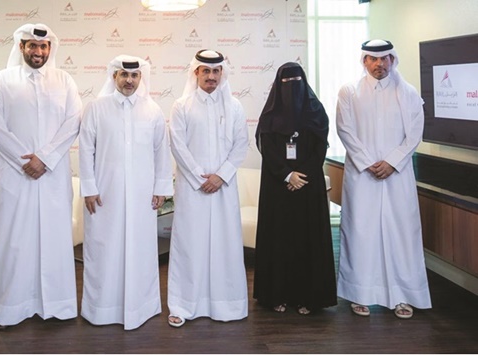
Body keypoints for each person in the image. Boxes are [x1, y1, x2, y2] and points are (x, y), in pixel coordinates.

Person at [0, 23, 83, 330]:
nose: (38, 51)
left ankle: (56, 306)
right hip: (15, 177)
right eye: (32, 46)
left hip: (52, 176)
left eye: (43, 46)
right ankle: (9, 309)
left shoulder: (64, 80)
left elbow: (73, 121)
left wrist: (46, 158)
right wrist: (24, 160)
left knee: (54, 241)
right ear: (22, 47)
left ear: (49, 49)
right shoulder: (3, 80)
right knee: (13, 243)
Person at [336, 39, 432, 319]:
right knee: (361, 233)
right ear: (364, 61)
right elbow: (345, 130)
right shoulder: (349, 92)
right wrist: (368, 163)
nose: (380, 64)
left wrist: (392, 162)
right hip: (362, 175)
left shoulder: (408, 92)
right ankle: (359, 294)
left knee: (401, 234)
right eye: (373, 59)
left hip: (397, 175)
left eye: (385, 59)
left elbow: (415, 132)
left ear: (393, 60)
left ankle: (402, 295)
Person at [78, 55, 173, 330]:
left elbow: (161, 151)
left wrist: (161, 189)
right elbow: (86, 150)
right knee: (104, 249)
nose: (129, 81)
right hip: (104, 194)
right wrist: (89, 188)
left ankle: (141, 307)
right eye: (123, 75)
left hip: (142, 195)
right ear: (114, 77)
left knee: (141, 250)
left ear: (140, 78)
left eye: (134, 76)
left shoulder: (152, 110)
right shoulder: (96, 108)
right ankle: (101, 309)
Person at [167, 49, 249, 327]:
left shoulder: (235, 106)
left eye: (216, 71)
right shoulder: (182, 105)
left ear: (222, 74)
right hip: (194, 189)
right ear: (196, 73)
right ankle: (182, 305)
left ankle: (226, 306)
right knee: (190, 244)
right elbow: (178, 145)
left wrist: (221, 176)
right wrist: (200, 178)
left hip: (224, 188)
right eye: (206, 71)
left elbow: (241, 145)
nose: (211, 76)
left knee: (225, 245)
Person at [253, 62, 337, 315]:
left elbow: (320, 148)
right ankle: (276, 295)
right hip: (278, 188)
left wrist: (303, 175)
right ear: (279, 85)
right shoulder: (270, 115)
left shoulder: (316, 111)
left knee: (307, 241)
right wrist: (287, 175)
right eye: (286, 83)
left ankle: (308, 298)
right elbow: (267, 149)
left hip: (308, 187)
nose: (292, 88)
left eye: (296, 82)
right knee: (279, 241)